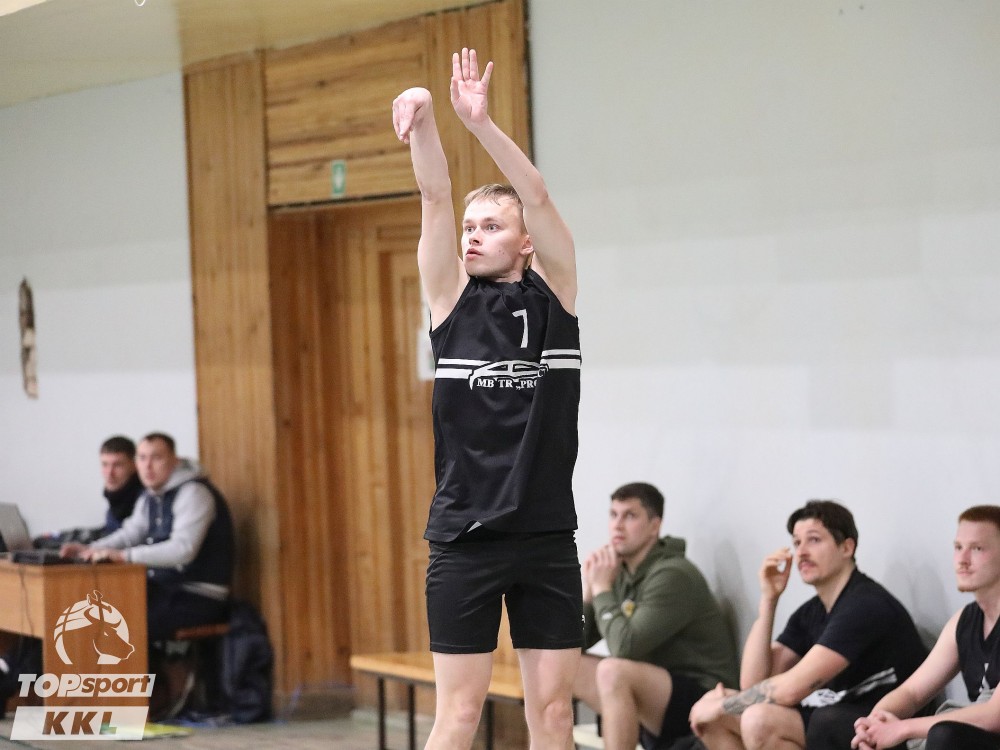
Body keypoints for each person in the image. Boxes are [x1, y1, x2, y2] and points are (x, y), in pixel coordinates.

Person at [392, 48, 582, 749]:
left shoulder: (556, 294)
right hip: (465, 538)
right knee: (461, 714)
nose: (473, 237)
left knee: (553, 713)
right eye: (471, 229)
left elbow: (539, 195)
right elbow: (434, 197)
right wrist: (424, 121)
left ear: (526, 243)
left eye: (491, 227)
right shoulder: (449, 299)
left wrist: (480, 124)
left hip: (545, 535)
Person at [689, 500, 928, 750]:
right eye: (796, 543)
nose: (801, 552)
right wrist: (769, 600)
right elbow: (753, 683)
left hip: (876, 726)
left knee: (755, 718)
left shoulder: (866, 605)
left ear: (847, 547)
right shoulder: (811, 612)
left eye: (814, 540)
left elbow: (791, 689)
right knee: (716, 717)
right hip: (829, 720)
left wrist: (722, 706)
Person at [575, 482, 738, 750]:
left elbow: (625, 647)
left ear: (655, 526)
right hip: (654, 692)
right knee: (564, 663)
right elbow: (573, 644)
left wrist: (602, 588)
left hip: (703, 696)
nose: (617, 526)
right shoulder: (618, 571)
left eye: (630, 516)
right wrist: (589, 593)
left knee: (612, 670)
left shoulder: (673, 575)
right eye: (613, 515)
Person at [61, 432, 234, 641]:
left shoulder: (194, 493)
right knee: (90, 613)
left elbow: (183, 549)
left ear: (175, 461)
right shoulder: (149, 496)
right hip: (164, 589)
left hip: (198, 596)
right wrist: (90, 549)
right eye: (142, 458)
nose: (148, 466)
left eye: (156, 458)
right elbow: (130, 533)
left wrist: (124, 556)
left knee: (119, 626)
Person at [852, 505, 1000, 750]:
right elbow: (912, 693)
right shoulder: (965, 620)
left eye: (977, 548)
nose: (962, 560)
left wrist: (903, 728)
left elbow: (994, 716)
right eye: (958, 547)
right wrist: (874, 723)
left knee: (944, 735)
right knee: (833, 724)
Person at [34, 435, 144, 549]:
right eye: (105, 464)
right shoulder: (117, 496)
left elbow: (126, 537)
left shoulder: (144, 499)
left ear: (134, 466)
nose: (109, 473)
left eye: (117, 465)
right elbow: (110, 531)